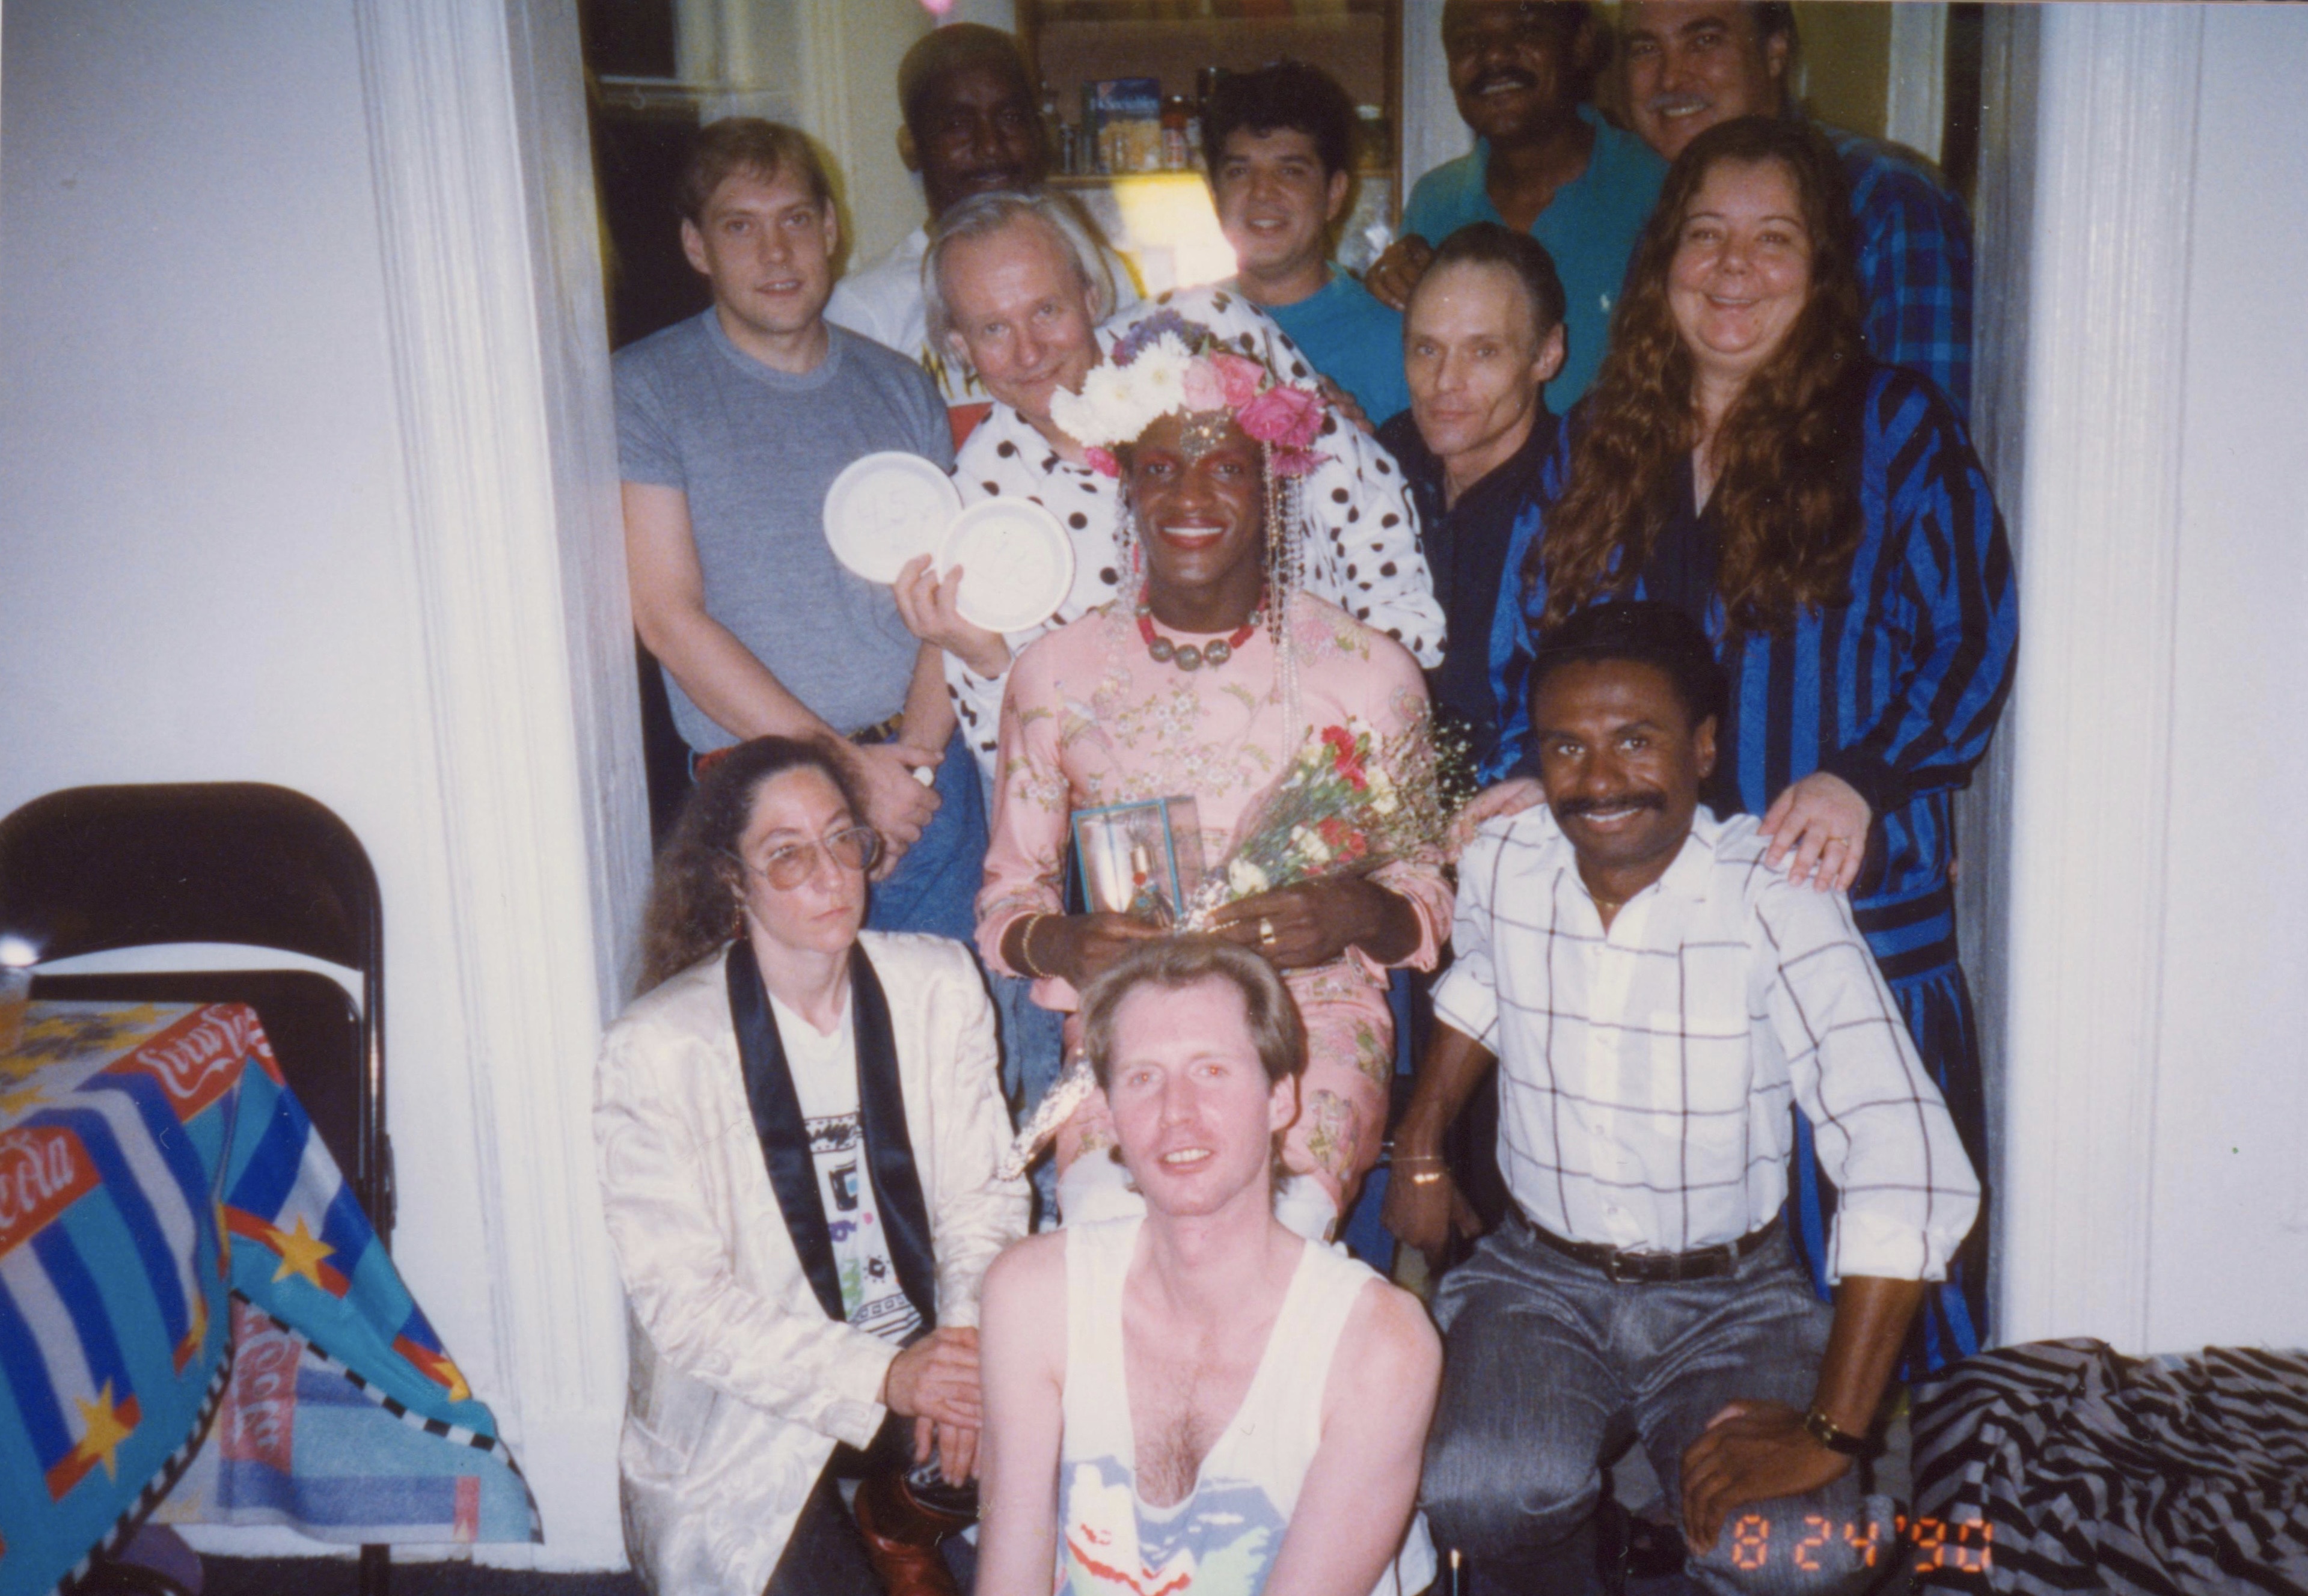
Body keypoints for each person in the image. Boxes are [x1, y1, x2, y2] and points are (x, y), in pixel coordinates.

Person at [1482, 117, 2017, 1375]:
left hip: (1842, 905)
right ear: (1660, 259)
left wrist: (1864, 778)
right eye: (1705, 236)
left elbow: (1971, 639)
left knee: (1881, 1266)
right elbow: (1525, 646)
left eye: (1772, 239)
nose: (1733, 268)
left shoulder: (1892, 428)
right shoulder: (1594, 440)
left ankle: (1898, 1483)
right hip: (1644, 934)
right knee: (1673, 1272)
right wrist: (1522, 766)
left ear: (1821, 269)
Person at [1388, 602, 1980, 1593]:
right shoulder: (1505, 859)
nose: (1598, 779)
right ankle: (1592, 1560)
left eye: (1635, 740)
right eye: (1565, 746)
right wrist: (1420, 1145)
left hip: (1731, 1298)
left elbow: (1905, 1158)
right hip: (1536, 1278)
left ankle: (1740, 1531)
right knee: (1480, 1492)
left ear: (1701, 748)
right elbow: (1484, 980)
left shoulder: (1773, 895)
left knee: (1792, 1554)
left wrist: (1832, 1430)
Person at [972, 322, 1453, 1240]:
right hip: (1130, 1017)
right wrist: (1062, 940)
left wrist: (1349, 911)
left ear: (1271, 482)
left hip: (1306, 1015)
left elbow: (1423, 896)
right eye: (1159, 469)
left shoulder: (1367, 672)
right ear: (1125, 481)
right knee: (1109, 1240)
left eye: (1225, 468)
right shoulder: (1054, 674)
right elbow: (1006, 902)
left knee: (1270, 1243)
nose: (1188, 496)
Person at [595, 736, 1029, 1596]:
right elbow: (685, 1306)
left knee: (1088, 1448)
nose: (831, 876)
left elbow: (981, 1196)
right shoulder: (658, 1048)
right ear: (733, 879)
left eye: (841, 839)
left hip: (927, 1347)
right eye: (788, 855)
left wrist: (963, 1345)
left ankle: (899, 1515)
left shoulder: (936, 985)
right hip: (755, 1406)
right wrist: (886, 1376)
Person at [902, 192, 1443, 792]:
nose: (1028, 352)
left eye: (1047, 310)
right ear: (959, 346)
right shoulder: (979, 503)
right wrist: (985, 662)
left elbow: (1361, 496)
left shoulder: (1209, 332)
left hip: (1340, 747)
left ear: (1090, 295)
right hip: (1163, 809)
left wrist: (1392, 685)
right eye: (993, 329)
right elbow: (1024, 768)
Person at [975, 938, 1441, 1596]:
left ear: (1280, 1098)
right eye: (1142, 1077)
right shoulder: (1032, 1297)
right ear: (1108, 1113)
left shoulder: (1376, 1345)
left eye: (1212, 1070)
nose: (1177, 1112)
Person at [616, 118, 986, 947]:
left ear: (829, 228)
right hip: (760, 796)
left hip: (926, 788)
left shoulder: (901, 387)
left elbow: (950, 592)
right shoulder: (647, 389)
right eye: (738, 227)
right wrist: (846, 776)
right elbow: (667, 617)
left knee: (954, 1018)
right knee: (790, 1029)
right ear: (696, 246)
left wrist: (913, 768)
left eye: (793, 220)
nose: (775, 253)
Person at [1618, 0, 1974, 414]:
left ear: (1775, 51)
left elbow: (1925, 430)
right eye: (1645, 49)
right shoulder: (1663, 206)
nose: (1670, 77)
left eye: (1704, 41)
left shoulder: (1885, 196)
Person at [826, 23, 1139, 442]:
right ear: (910, 146)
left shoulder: (1099, 269)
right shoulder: (866, 308)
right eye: (957, 125)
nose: (990, 145)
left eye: (1010, 118)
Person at [1364, 0, 1667, 411]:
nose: (1494, 57)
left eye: (1526, 32)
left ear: (1580, 44)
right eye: (1469, 41)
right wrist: (1387, 290)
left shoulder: (1655, 187)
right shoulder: (1436, 200)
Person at [1376, 222, 1567, 775]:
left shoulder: (1583, 493)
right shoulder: (1383, 464)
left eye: (1482, 351)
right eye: (1426, 349)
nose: (1444, 382)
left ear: (1547, 354)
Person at [1202, 60, 1411, 426]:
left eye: (1290, 171)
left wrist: (1364, 448)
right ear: (1215, 195)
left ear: (1334, 194)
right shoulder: (1183, 329)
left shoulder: (1396, 343)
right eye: (1239, 171)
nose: (1261, 191)